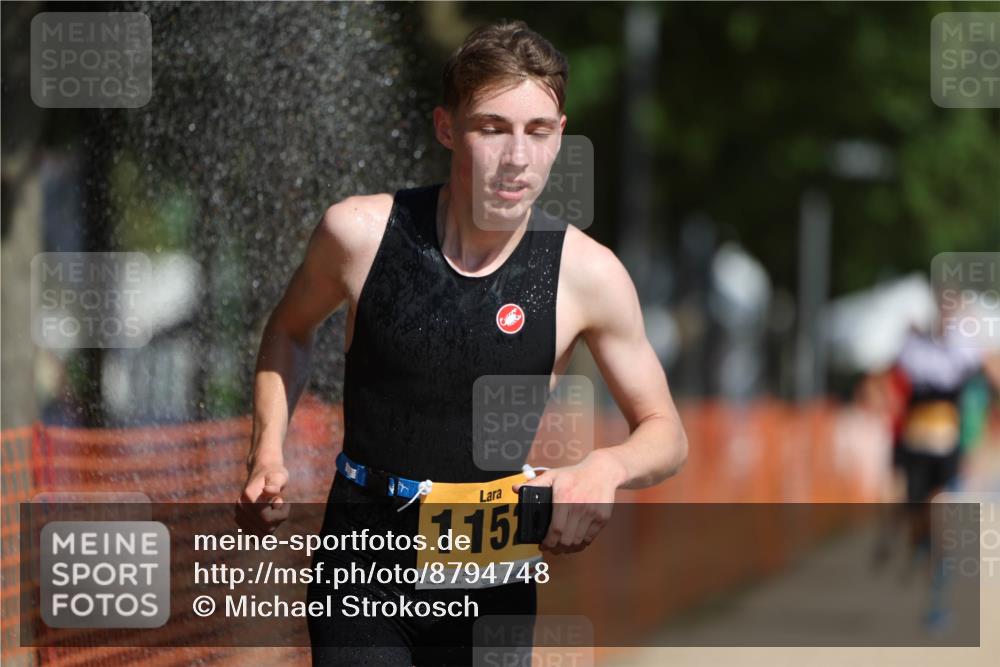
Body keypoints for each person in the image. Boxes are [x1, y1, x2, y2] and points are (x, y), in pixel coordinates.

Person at [236, 20, 688, 665]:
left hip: (491, 563)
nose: (517, 157)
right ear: (447, 128)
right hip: (364, 552)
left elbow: (665, 431)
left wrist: (606, 468)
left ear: (560, 136)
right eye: (492, 128)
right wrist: (266, 450)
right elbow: (289, 329)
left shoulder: (587, 274)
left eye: (537, 132)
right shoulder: (360, 234)